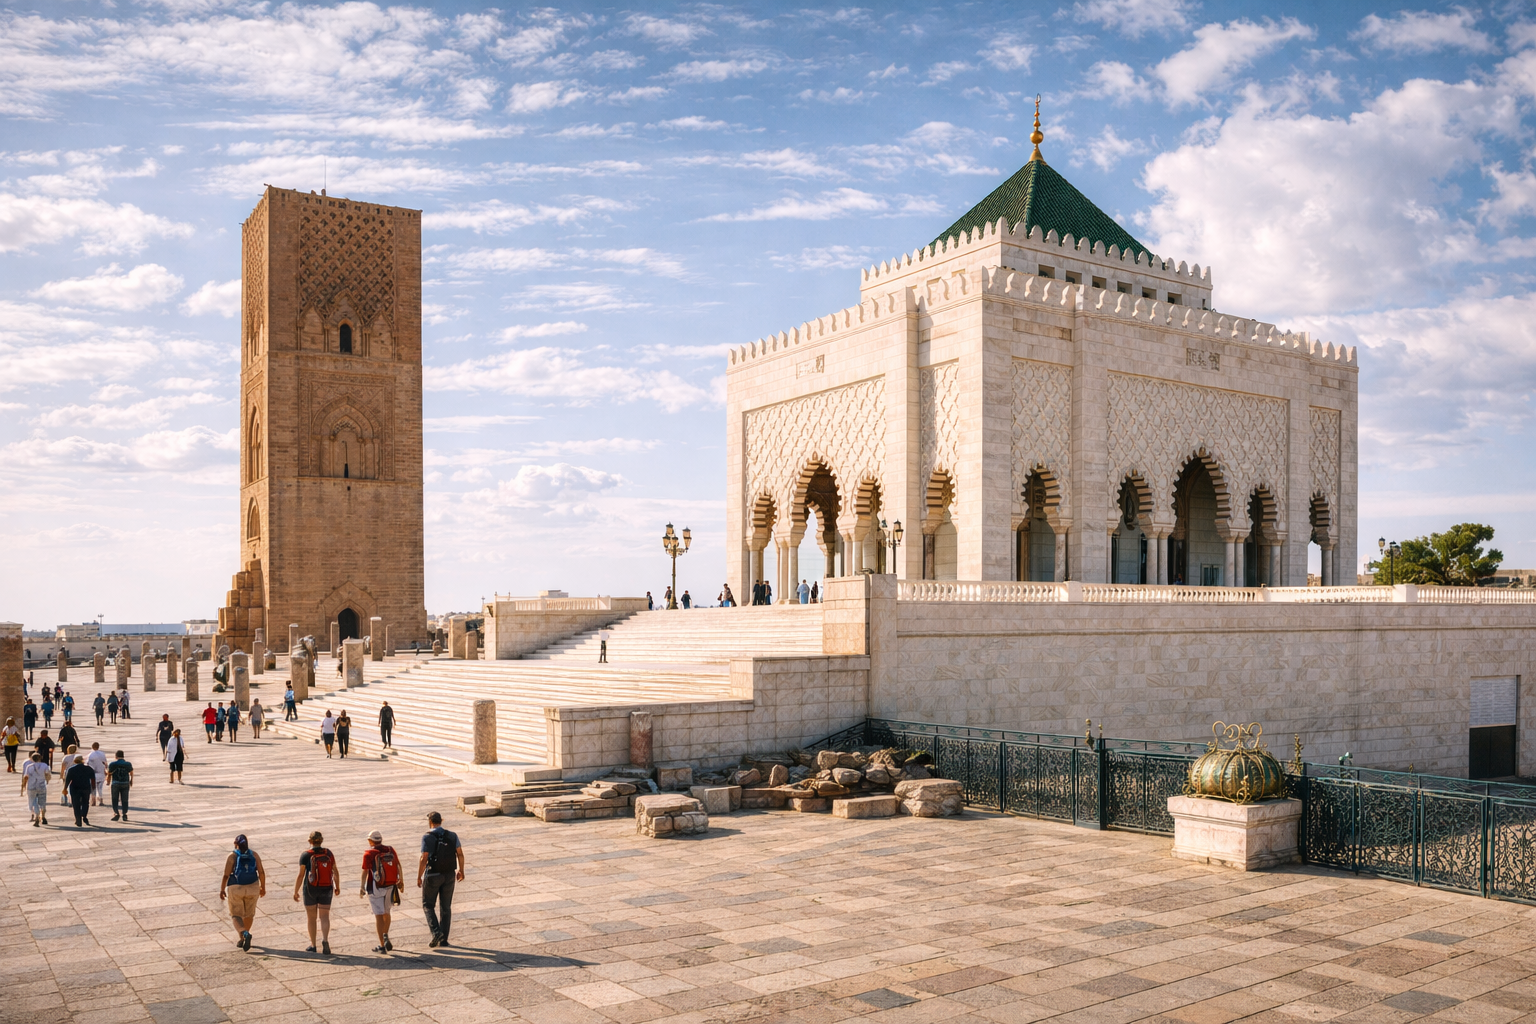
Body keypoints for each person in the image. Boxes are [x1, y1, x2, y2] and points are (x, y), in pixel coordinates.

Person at [417, 811, 464, 948]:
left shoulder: (427, 837)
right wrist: (461, 870)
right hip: (449, 874)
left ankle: (436, 932)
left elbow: (424, 857)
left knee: (428, 905)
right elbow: (460, 854)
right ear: (441, 821)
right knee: (446, 907)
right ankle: (444, 939)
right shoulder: (452, 835)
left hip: (433, 875)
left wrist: (419, 876)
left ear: (430, 822)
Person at [293, 830, 340, 955]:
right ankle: (325, 939)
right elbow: (335, 870)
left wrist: (295, 891)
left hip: (310, 888)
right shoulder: (328, 853)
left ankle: (313, 945)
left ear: (310, 841)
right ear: (321, 841)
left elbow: (301, 875)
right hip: (326, 887)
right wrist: (337, 886)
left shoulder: (305, 855)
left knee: (311, 918)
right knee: (324, 916)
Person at [220, 835, 266, 951]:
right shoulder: (254, 855)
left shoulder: (232, 856)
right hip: (253, 886)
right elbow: (261, 872)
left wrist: (222, 889)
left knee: (236, 914)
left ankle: (244, 933)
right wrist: (263, 887)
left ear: (236, 844)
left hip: (236, 887)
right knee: (249, 914)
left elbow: (226, 875)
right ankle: (244, 937)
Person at [360, 829, 401, 953]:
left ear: (370, 841)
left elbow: (365, 871)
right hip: (390, 884)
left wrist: (362, 886)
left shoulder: (368, 854)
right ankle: (386, 934)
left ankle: (382, 945)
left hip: (375, 886)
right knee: (387, 912)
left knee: (378, 915)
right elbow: (398, 865)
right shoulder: (390, 850)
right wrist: (401, 881)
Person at [64, 753, 95, 827]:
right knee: (85, 802)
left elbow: (68, 780)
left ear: (75, 761)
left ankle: (78, 820)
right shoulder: (89, 768)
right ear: (82, 760)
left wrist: (65, 788)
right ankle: (83, 815)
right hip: (86, 787)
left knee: (76, 804)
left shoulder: (71, 769)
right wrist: (93, 787)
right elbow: (93, 779)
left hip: (75, 788)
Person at [21, 750, 49, 826]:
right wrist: (47, 781)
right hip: (41, 785)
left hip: (31, 786)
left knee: (33, 801)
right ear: (40, 758)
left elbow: (26, 777)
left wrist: (23, 785)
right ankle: (43, 816)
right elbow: (47, 775)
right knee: (42, 801)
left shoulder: (29, 766)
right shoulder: (45, 765)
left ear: (32, 759)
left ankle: (36, 816)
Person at [106, 749, 132, 821]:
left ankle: (116, 812)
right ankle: (124, 814)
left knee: (115, 799)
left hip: (115, 783)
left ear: (116, 756)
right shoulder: (128, 764)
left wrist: (108, 781)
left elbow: (109, 774)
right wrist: (131, 780)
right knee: (125, 799)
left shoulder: (112, 764)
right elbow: (131, 772)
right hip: (125, 783)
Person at [86, 742, 107, 807]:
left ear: (92, 747)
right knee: (100, 788)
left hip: (93, 773)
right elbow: (105, 763)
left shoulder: (90, 755)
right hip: (101, 773)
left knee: (93, 788)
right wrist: (106, 770)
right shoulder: (102, 754)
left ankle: (93, 801)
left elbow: (87, 764)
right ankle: (100, 800)